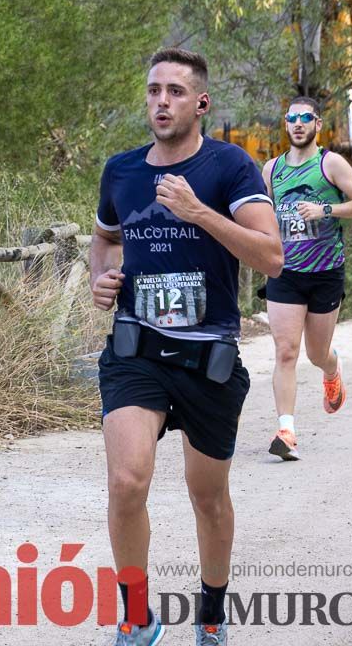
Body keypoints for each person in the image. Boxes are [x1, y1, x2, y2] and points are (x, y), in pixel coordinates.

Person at [90, 48, 283, 645]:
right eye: (153, 91)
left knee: (208, 497)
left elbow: (271, 256)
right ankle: (136, 615)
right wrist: (103, 276)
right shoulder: (121, 171)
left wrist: (200, 213)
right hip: (136, 351)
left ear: (200, 102)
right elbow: (104, 238)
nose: (161, 102)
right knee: (126, 483)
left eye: (175, 91)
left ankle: (212, 615)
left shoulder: (231, 168)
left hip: (209, 358)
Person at [261, 96, 352, 461]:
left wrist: (325, 208)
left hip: (325, 273)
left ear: (317, 124)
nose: (297, 123)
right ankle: (286, 430)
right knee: (286, 351)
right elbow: (264, 215)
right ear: (285, 123)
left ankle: (332, 368)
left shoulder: (331, 163)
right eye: (291, 118)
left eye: (304, 118)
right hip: (286, 273)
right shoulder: (272, 170)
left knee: (315, 353)